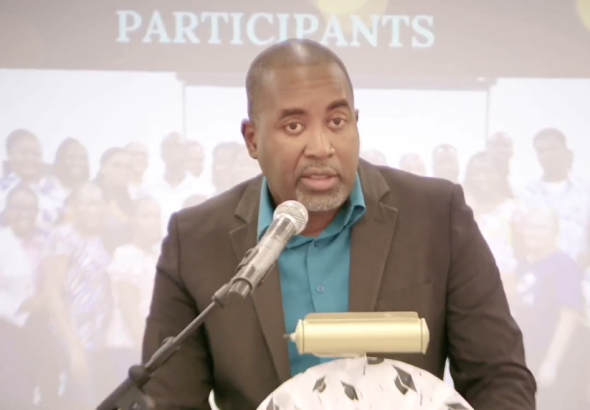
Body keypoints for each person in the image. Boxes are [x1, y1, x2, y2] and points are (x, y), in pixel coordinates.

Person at [142, 39, 535, 410]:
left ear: (356, 123)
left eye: (336, 121)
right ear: (252, 139)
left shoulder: (436, 216)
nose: (321, 147)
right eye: (294, 126)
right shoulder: (194, 241)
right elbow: (169, 402)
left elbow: (498, 378)